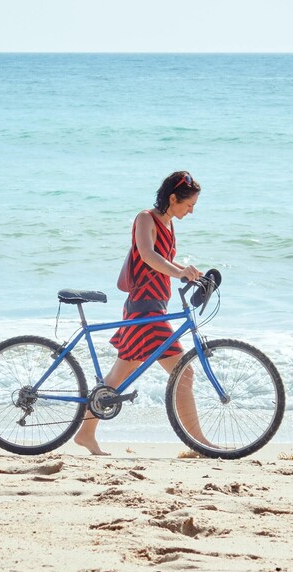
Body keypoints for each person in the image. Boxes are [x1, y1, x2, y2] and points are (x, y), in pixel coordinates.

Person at [74, 171, 205, 456]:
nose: (192, 211)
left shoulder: (169, 224)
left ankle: (85, 433)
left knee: (116, 378)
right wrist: (180, 270)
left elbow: (163, 261)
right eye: (188, 204)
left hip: (154, 307)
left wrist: (188, 271)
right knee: (185, 373)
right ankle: (199, 444)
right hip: (144, 310)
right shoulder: (145, 218)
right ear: (173, 198)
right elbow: (147, 255)